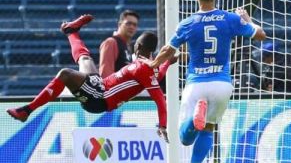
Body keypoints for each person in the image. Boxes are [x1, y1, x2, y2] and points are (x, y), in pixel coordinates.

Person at [146, 0, 266, 163]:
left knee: (184, 139)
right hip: (221, 84)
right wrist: (247, 19)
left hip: (196, 84)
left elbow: (168, 50)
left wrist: (153, 65)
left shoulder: (188, 23)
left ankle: (194, 122)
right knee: (209, 128)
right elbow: (260, 35)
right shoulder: (230, 19)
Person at [6, 14, 173, 141]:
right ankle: (71, 32)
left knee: (65, 74)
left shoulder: (143, 67)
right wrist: (168, 62)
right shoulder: (151, 68)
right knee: (85, 59)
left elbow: (159, 99)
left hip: (99, 97)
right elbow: (159, 83)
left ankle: (27, 110)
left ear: (138, 46)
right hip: (99, 86)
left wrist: (163, 124)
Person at [99, 9, 139, 78]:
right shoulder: (111, 42)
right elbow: (106, 74)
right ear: (119, 24)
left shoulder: (128, 46)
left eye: (134, 25)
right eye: (128, 23)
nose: (132, 27)